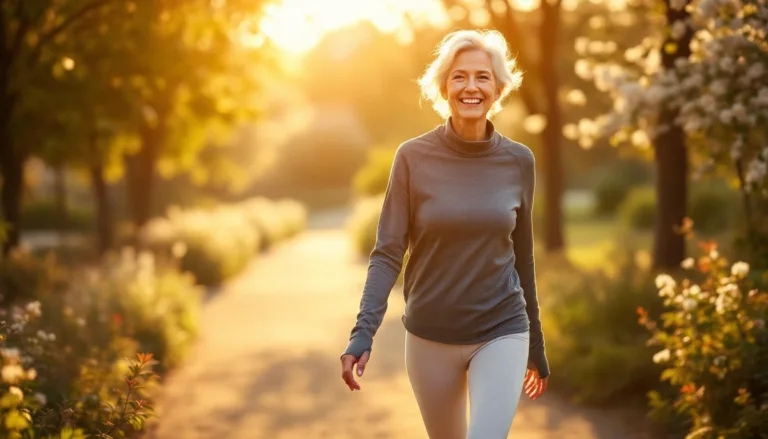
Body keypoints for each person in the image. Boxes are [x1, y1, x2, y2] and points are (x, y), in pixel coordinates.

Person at [339, 28, 550, 439]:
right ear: (443, 86)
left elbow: (523, 258)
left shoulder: (518, 161)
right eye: (459, 76)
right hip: (430, 335)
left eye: (482, 77)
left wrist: (536, 345)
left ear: (498, 88)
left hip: (502, 328)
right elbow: (387, 252)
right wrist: (362, 332)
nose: (471, 86)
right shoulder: (412, 158)